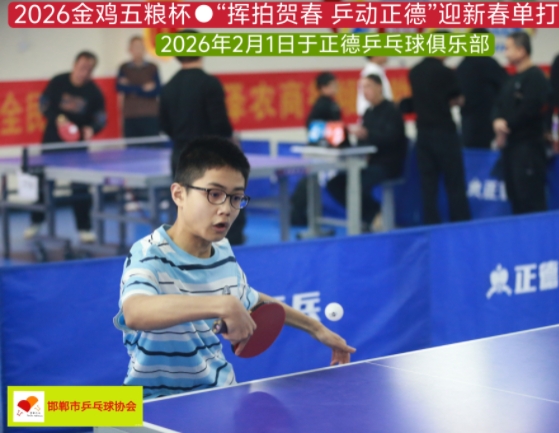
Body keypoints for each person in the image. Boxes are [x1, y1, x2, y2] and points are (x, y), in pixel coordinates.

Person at [113, 137, 356, 399]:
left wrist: (316, 329)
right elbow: (136, 312)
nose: (226, 209)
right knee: (80, 408)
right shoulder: (148, 252)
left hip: (217, 396)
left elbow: (252, 299)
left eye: (236, 198)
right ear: (179, 194)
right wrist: (222, 305)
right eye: (214, 194)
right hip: (148, 401)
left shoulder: (223, 251)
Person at [159, 30, 245, 245]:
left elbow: (164, 125)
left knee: (189, 207)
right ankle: (228, 247)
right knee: (222, 206)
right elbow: (220, 124)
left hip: (180, 156)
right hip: (211, 157)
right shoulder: (209, 83)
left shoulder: (168, 87)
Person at [24, 51, 106, 243]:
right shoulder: (58, 82)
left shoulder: (94, 92)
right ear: (74, 65)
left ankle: (84, 228)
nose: (84, 72)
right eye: (82, 67)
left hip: (77, 148)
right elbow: (43, 104)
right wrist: (58, 118)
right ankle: (36, 221)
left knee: (80, 187)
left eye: (89, 69)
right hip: (52, 144)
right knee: (43, 185)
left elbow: (101, 119)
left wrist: (91, 128)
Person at [327, 74, 407, 230]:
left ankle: (373, 216)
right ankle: (372, 214)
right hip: (367, 163)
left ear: (379, 87)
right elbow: (362, 143)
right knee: (335, 184)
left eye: (368, 86)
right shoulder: (368, 113)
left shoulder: (392, 111)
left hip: (387, 164)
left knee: (357, 184)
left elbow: (392, 138)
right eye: (362, 88)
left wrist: (368, 134)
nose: (365, 91)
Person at [408, 36, 471, 225]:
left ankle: (430, 223)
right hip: (444, 132)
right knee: (454, 182)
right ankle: (459, 222)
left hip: (423, 133)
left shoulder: (414, 72)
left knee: (428, 184)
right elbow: (457, 97)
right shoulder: (445, 72)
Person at [493, 31, 551, 215]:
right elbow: (499, 105)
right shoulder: (510, 80)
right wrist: (497, 121)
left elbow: (529, 110)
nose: (505, 53)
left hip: (528, 149)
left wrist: (505, 126)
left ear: (521, 50)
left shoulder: (536, 77)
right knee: (515, 198)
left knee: (530, 199)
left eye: (508, 48)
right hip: (510, 149)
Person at [291, 72, 345, 226]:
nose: (336, 88)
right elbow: (314, 127)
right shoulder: (323, 105)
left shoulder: (329, 103)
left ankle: (302, 213)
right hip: (321, 151)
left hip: (324, 149)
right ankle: (298, 212)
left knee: (313, 180)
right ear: (323, 87)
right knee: (312, 180)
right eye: (332, 85)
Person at [456, 29, 508, 149]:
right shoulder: (490, 64)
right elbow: (506, 88)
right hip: (489, 123)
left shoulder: (462, 66)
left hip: (468, 123)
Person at [117, 36, 161, 138]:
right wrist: (143, 88)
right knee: (132, 146)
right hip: (130, 115)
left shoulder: (152, 67)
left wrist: (131, 87)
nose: (138, 50)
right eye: (135, 47)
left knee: (152, 145)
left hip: (150, 115)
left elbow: (157, 90)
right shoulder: (124, 68)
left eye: (140, 47)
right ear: (130, 49)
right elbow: (120, 87)